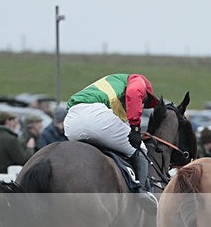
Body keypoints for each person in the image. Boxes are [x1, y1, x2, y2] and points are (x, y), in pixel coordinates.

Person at [64, 73, 160, 211]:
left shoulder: (113, 88)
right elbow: (133, 93)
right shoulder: (138, 80)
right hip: (94, 116)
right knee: (140, 148)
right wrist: (136, 127)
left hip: (71, 122)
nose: (143, 104)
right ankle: (143, 192)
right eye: (145, 101)